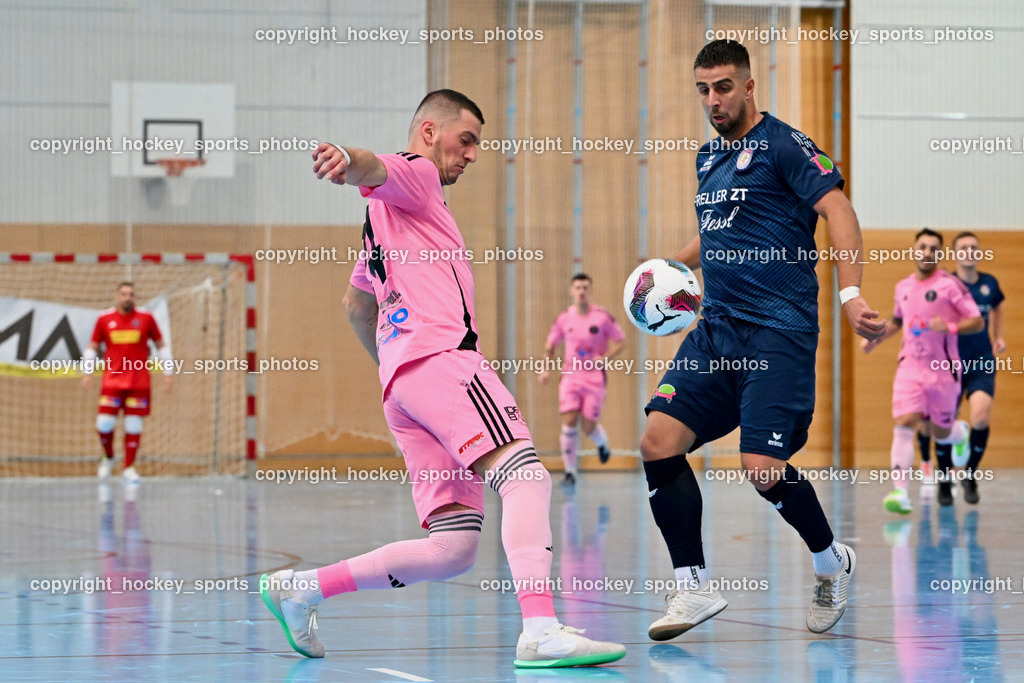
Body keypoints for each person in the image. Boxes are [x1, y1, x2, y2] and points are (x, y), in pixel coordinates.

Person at [259, 90, 625, 668]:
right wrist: (346, 158)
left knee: (453, 546)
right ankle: (539, 630)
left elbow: (357, 307)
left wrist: (398, 371)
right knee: (527, 477)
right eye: (466, 139)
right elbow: (375, 166)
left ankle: (303, 588)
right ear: (429, 132)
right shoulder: (420, 176)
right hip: (443, 360)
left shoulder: (382, 225)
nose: (473, 154)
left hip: (402, 385)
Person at [639, 39, 885, 640]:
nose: (713, 100)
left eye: (724, 87)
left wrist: (851, 294)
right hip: (716, 331)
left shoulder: (784, 145)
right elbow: (714, 232)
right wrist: (665, 271)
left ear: (749, 87)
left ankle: (830, 561)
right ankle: (693, 587)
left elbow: (839, 212)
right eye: (703, 89)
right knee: (657, 441)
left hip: (779, 332)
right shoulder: (707, 159)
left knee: (762, 469)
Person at [863, 229, 982, 511]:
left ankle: (960, 433)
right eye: (923, 247)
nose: (927, 252)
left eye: (933, 248)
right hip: (910, 368)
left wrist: (950, 326)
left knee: (940, 433)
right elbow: (898, 320)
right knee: (905, 422)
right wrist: (876, 339)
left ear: (939, 254)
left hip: (943, 370)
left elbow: (977, 321)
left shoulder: (950, 286)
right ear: (914, 250)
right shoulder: (903, 287)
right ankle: (900, 493)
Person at [917, 232, 1004, 504]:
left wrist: (998, 337)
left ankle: (969, 474)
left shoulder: (989, 283)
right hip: (949, 364)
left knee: (980, 416)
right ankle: (944, 480)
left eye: (974, 247)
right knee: (942, 425)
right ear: (955, 253)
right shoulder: (945, 284)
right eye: (963, 247)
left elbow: (997, 308)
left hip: (981, 361)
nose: (969, 251)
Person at [82, 282, 173, 484]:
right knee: (104, 423)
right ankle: (108, 457)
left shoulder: (146, 318)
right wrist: (87, 372)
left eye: (131, 294)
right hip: (112, 382)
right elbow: (93, 346)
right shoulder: (104, 319)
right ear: (117, 296)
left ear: (135, 297)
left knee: (133, 425)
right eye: (123, 294)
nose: (127, 298)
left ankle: (129, 467)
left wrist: (168, 373)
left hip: (138, 383)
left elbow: (161, 345)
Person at [538, 273, 625, 484]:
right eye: (577, 288)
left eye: (585, 288)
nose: (581, 292)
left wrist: (605, 358)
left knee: (588, 427)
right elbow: (550, 345)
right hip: (570, 376)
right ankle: (570, 472)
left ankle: (602, 443)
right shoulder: (564, 318)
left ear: (590, 290)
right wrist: (544, 369)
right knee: (569, 421)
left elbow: (620, 341)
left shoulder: (602, 317)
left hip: (594, 378)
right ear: (572, 291)